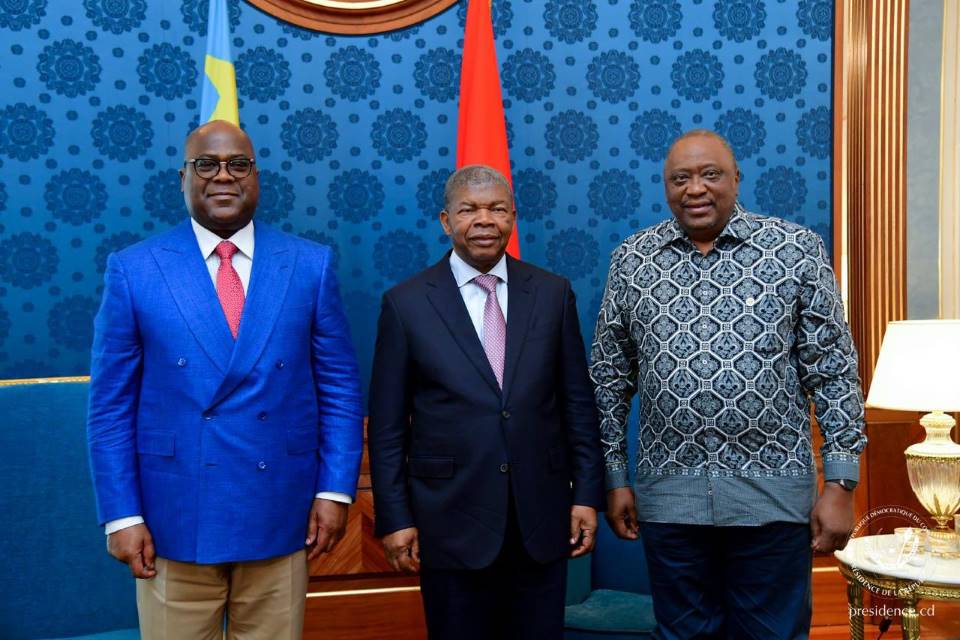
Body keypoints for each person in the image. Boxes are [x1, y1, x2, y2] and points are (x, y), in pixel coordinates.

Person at [87, 120, 364, 639]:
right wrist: (122, 516)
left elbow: (340, 391)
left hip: (281, 509)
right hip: (173, 515)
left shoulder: (310, 264)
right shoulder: (135, 269)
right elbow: (110, 409)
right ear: (183, 178)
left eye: (238, 164)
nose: (223, 176)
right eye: (206, 165)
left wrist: (334, 491)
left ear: (256, 176)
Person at [590, 129, 867, 639]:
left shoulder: (795, 250)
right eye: (680, 178)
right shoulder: (633, 259)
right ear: (666, 187)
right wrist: (614, 478)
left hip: (772, 499)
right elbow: (609, 378)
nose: (695, 188)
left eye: (710, 174)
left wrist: (840, 485)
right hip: (669, 499)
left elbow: (833, 373)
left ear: (736, 179)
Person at [368, 164, 605, 640]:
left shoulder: (552, 293)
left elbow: (577, 404)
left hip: (540, 517)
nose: (484, 220)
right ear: (445, 221)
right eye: (469, 210)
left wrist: (585, 495)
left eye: (497, 209)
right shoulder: (406, 303)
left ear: (513, 217)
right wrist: (395, 518)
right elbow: (389, 425)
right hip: (449, 521)